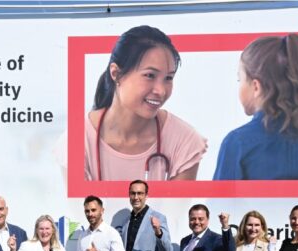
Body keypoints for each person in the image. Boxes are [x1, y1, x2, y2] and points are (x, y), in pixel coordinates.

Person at [85, 25, 207, 181]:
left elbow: (179, 200)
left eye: (168, 78)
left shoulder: (185, 141)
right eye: (150, 75)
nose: (161, 91)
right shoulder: (77, 141)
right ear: (116, 73)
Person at [213, 34, 298, 180]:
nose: (239, 86)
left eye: (240, 80)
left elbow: (222, 196)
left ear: (256, 87)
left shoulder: (237, 143)